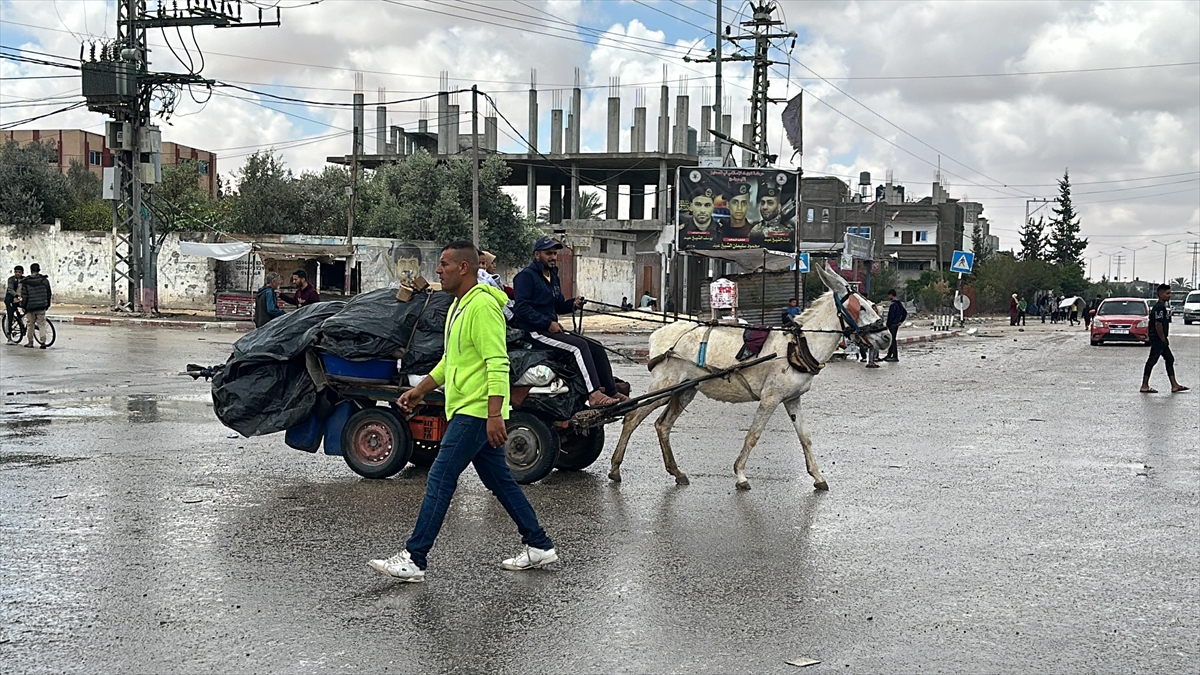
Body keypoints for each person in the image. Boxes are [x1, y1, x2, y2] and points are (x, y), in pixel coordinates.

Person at [368, 241, 557, 583]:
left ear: (464, 268)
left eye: (444, 264)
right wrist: (419, 391)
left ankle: (414, 558)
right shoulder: (459, 305)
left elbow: (498, 363)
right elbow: (450, 361)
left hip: (477, 410)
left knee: (440, 478)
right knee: (499, 481)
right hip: (467, 408)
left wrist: (495, 414)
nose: (438, 270)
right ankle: (539, 544)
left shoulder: (481, 307)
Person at [513, 236, 622, 407]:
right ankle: (594, 394)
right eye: (548, 253)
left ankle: (612, 390)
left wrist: (573, 304)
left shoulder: (553, 277)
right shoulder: (525, 277)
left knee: (596, 346)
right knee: (579, 347)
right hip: (534, 332)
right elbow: (521, 308)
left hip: (550, 329)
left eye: (555, 253)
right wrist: (547, 323)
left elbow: (558, 306)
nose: (553, 257)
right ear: (537, 255)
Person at [1141, 284, 1188, 394]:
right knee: (1152, 360)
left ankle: (1174, 385)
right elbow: (1158, 324)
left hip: (1160, 339)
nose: (1169, 295)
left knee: (1169, 359)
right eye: (1167, 293)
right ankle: (1144, 385)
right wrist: (1163, 339)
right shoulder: (1159, 308)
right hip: (1158, 339)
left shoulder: (1162, 307)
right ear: (1160, 294)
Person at [16, 263, 52, 349]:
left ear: (31, 270)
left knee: (30, 324)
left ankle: (30, 342)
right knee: (41, 324)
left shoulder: (26, 281)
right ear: (39, 270)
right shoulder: (44, 281)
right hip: (41, 306)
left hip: (30, 307)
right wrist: (47, 304)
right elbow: (48, 294)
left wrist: (23, 306)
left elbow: (25, 296)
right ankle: (43, 343)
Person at [718, 182, 763, 247]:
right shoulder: (719, 231)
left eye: (744, 203)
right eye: (735, 202)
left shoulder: (755, 233)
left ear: (748, 205)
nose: (739, 208)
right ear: (727, 205)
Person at [476, 251, 514, 321]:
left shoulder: (494, 281)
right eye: (492, 263)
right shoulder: (477, 285)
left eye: (483, 263)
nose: (481, 266)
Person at [882, 289, 907, 362]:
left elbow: (891, 316)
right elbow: (905, 313)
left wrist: (888, 324)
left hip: (892, 324)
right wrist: (901, 321)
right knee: (891, 339)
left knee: (892, 340)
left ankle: (895, 356)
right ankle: (889, 355)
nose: (888, 297)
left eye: (889, 295)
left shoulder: (893, 304)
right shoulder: (899, 303)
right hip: (896, 324)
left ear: (891, 295)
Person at [4, 265, 23, 345]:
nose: (18, 273)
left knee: (26, 312)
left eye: (19, 272)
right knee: (10, 317)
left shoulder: (24, 279)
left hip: (20, 300)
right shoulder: (11, 279)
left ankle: (21, 324)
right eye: (16, 272)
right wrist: (16, 296)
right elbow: (10, 289)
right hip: (11, 301)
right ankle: (9, 338)